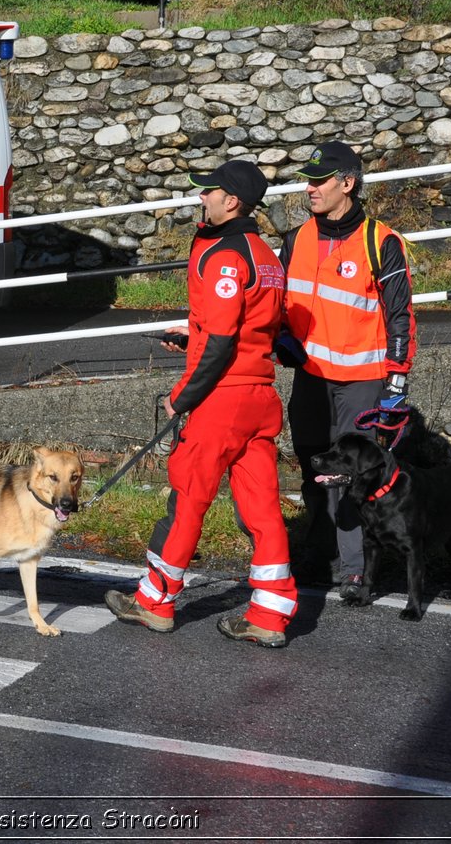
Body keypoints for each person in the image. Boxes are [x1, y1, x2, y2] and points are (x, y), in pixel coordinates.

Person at [105, 159, 299, 648]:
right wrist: (187, 334)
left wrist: (181, 397)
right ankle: (270, 615)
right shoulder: (267, 257)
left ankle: (153, 603)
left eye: (208, 192)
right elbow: (250, 330)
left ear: (231, 200)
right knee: (263, 511)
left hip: (222, 400)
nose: (200, 198)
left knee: (188, 500)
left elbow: (220, 342)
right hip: (260, 396)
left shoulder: (224, 255)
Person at [278, 141, 416, 602]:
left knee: (349, 477)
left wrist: (396, 382)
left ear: (348, 183)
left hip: (361, 381)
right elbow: (278, 304)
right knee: (315, 469)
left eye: (320, 180)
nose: (310, 188)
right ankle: (318, 558)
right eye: (309, 180)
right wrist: (279, 338)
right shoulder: (296, 238)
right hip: (310, 378)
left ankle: (355, 570)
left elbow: (400, 316)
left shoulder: (381, 241)